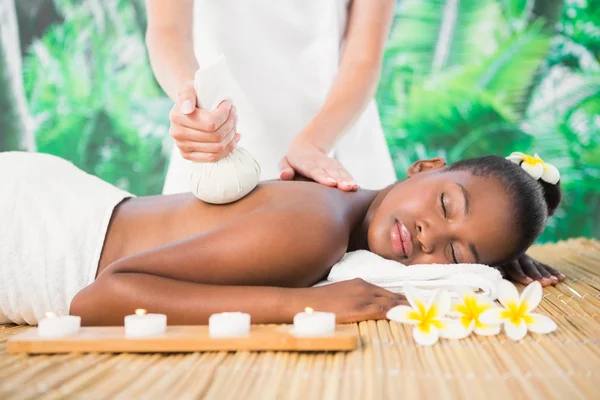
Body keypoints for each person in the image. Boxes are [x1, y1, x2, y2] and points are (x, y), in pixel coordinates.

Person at [0, 151, 565, 326]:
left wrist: (495, 259)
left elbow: (459, 229)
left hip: (62, 195)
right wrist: (302, 304)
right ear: (423, 166)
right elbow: (97, 299)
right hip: (31, 232)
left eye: (457, 253)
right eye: (445, 205)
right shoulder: (313, 229)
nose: (428, 236)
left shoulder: (337, 211)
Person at [144, 0, 397, 194]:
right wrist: (191, 99)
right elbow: (168, 30)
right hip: (214, 142)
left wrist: (315, 144)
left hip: (334, 138)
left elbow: (362, 60)